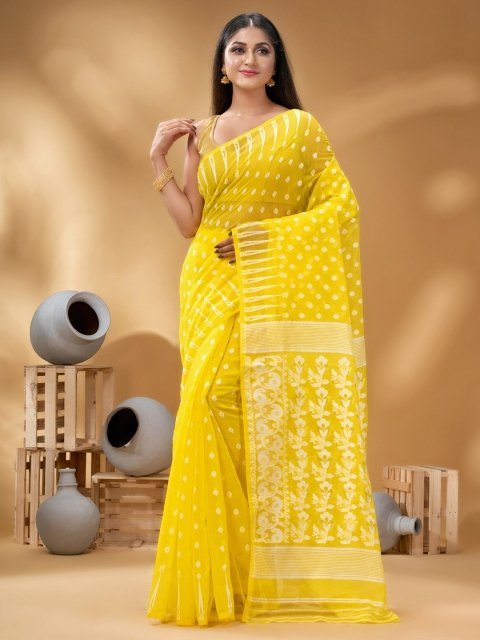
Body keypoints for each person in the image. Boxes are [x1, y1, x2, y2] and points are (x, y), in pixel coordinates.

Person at [147, 11, 400, 627]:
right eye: (238, 49)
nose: (250, 59)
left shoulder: (300, 129)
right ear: (223, 64)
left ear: (275, 64)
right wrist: (159, 160)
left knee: (253, 414)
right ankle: (220, 579)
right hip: (207, 285)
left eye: (262, 50)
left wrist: (260, 242)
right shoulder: (205, 133)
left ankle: (260, 573)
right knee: (205, 407)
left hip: (269, 285)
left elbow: (339, 209)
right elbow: (191, 224)